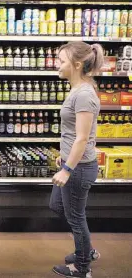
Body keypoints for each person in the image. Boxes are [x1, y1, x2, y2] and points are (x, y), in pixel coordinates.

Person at [50, 41, 103, 278]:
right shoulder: (77, 89)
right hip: (71, 163)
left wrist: (67, 168)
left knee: (75, 216)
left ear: (77, 64)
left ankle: (83, 267)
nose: (57, 65)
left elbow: (82, 138)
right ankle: (86, 249)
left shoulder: (84, 95)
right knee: (58, 206)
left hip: (79, 168)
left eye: (61, 61)